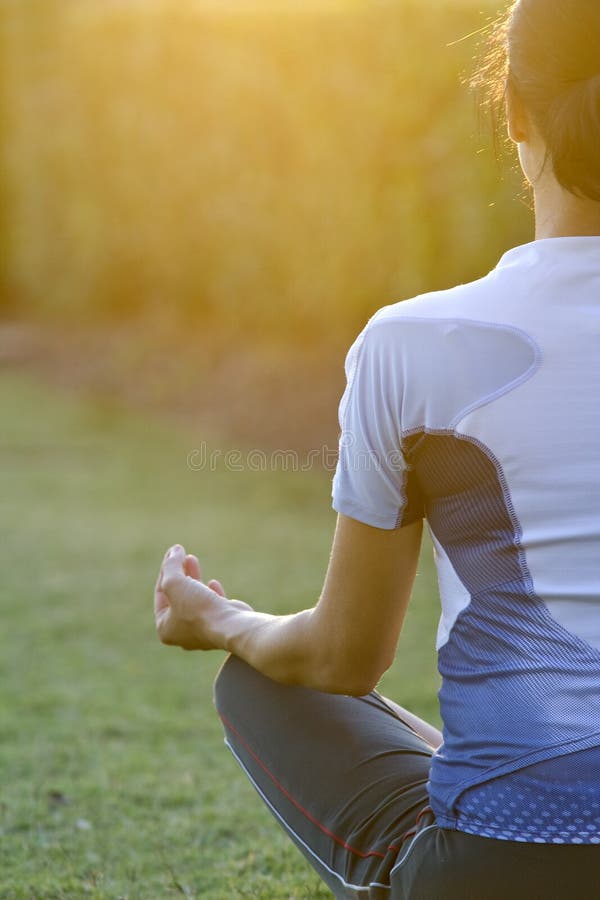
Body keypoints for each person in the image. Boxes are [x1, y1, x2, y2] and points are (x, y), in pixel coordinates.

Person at [153, 1, 600, 896]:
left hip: (502, 869)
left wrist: (223, 622)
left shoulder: (414, 343)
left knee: (262, 681)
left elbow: (344, 660)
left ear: (511, 108)